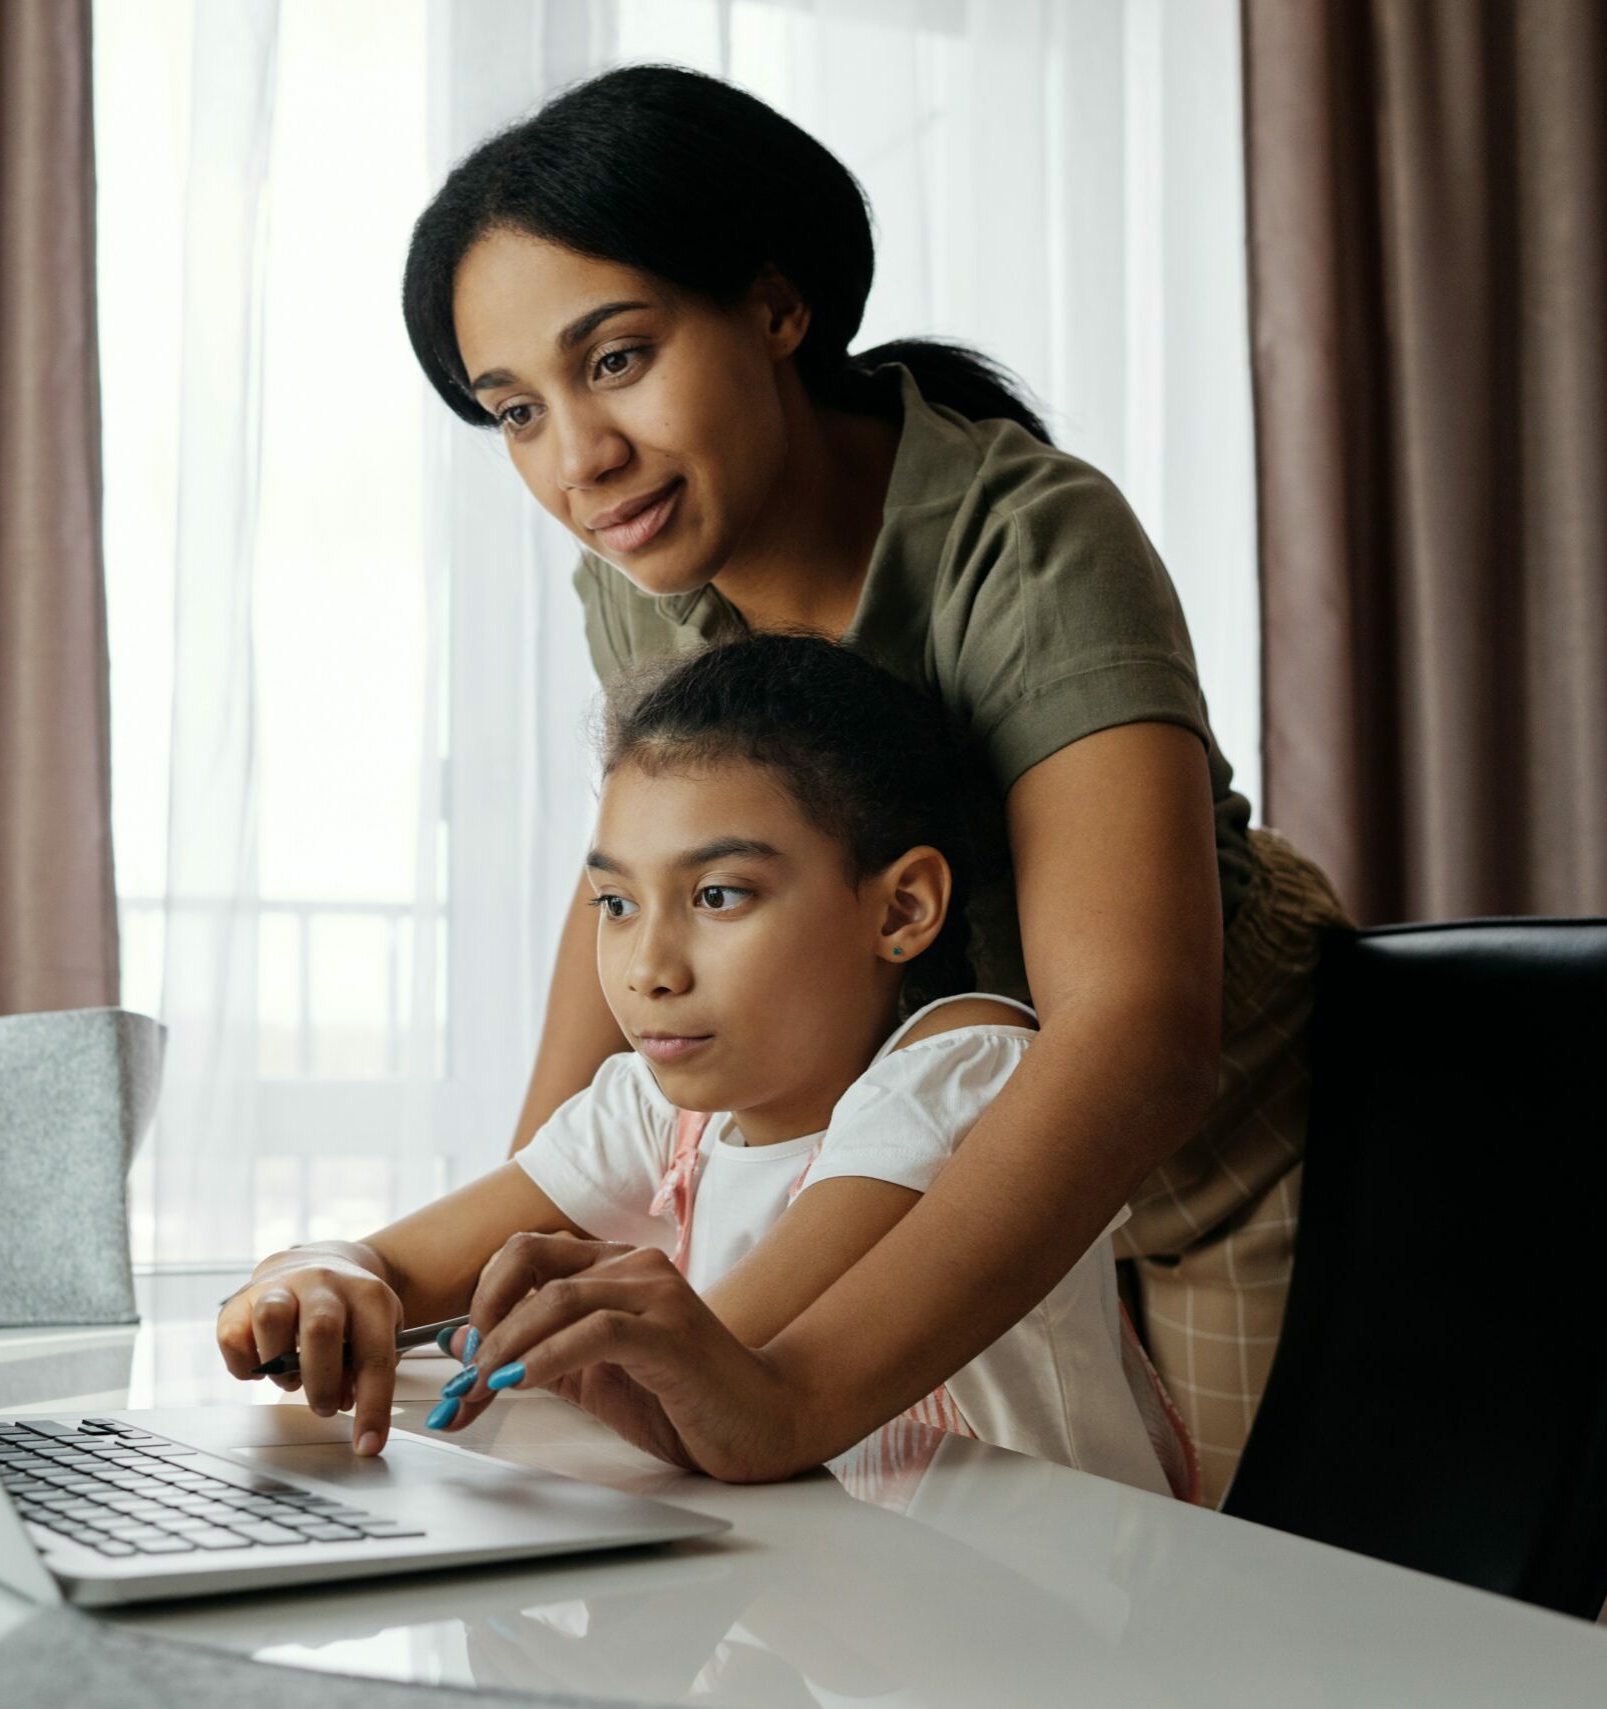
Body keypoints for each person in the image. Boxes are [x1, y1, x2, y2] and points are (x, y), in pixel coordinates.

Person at [388, 64, 1352, 1502]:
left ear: (776, 307)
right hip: (912, 1142)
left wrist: (786, 1398)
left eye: (612, 361)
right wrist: (513, 1253)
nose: (578, 460)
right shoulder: (639, 571)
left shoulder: (1026, 541)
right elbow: (636, 887)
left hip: (1203, 1145)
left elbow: (1136, 1032)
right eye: (513, 410)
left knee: (1235, 1615)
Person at [217, 635, 1186, 1497]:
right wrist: (319, 1276)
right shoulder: (662, 1109)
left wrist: (538, 1332)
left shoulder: (964, 1070)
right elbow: (396, 1262)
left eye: (718, 894)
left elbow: (716, 1370)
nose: (646, 969)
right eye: (615, 903)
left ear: (899, 910)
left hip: (1034, 1624)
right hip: (831, 1606)